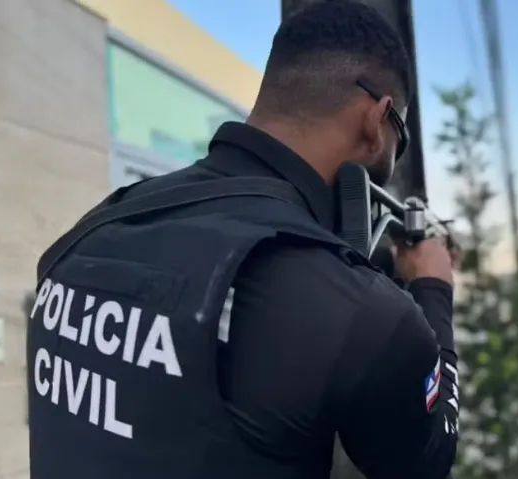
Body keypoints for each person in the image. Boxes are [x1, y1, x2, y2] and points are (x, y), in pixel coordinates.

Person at [26, 1, 459, 479]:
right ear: (376, 119)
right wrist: (433, 288)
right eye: (401, 137)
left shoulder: (96, 227)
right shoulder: (360, 313)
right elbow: (427, 459)